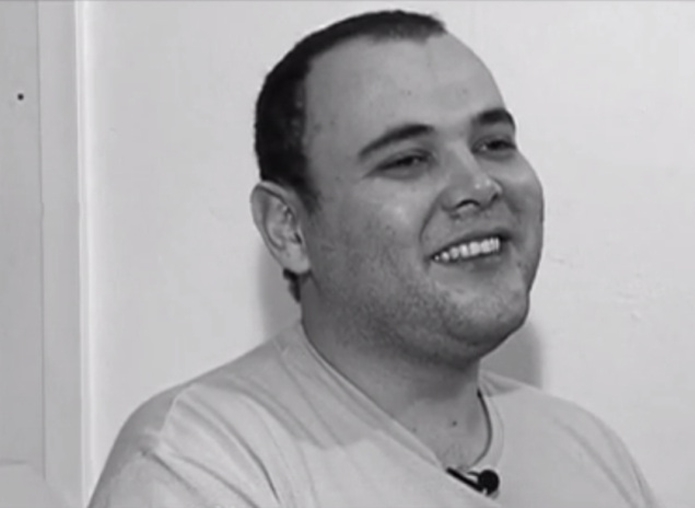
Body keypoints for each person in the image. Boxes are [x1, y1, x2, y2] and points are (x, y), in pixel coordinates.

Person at [89, 9, 660, 508]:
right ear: (289, 229)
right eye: (408, 160)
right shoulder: (199, 463)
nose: (479, 185)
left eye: (493, 144)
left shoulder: (587, 450)